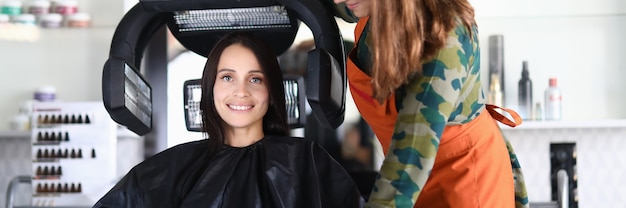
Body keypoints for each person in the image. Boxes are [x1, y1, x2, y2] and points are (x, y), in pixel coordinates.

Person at [93, 32, 362, 208]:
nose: (241, 91)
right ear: (210, 88)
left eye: (255, 79)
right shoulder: (167, 170)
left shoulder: (308, 163)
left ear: (272, 92)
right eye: (227, 77)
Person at [322, 0, 530, 207]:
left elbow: (412, 151)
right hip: (411, 173)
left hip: (463, 180)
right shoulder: (376, 10)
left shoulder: (446, 36)